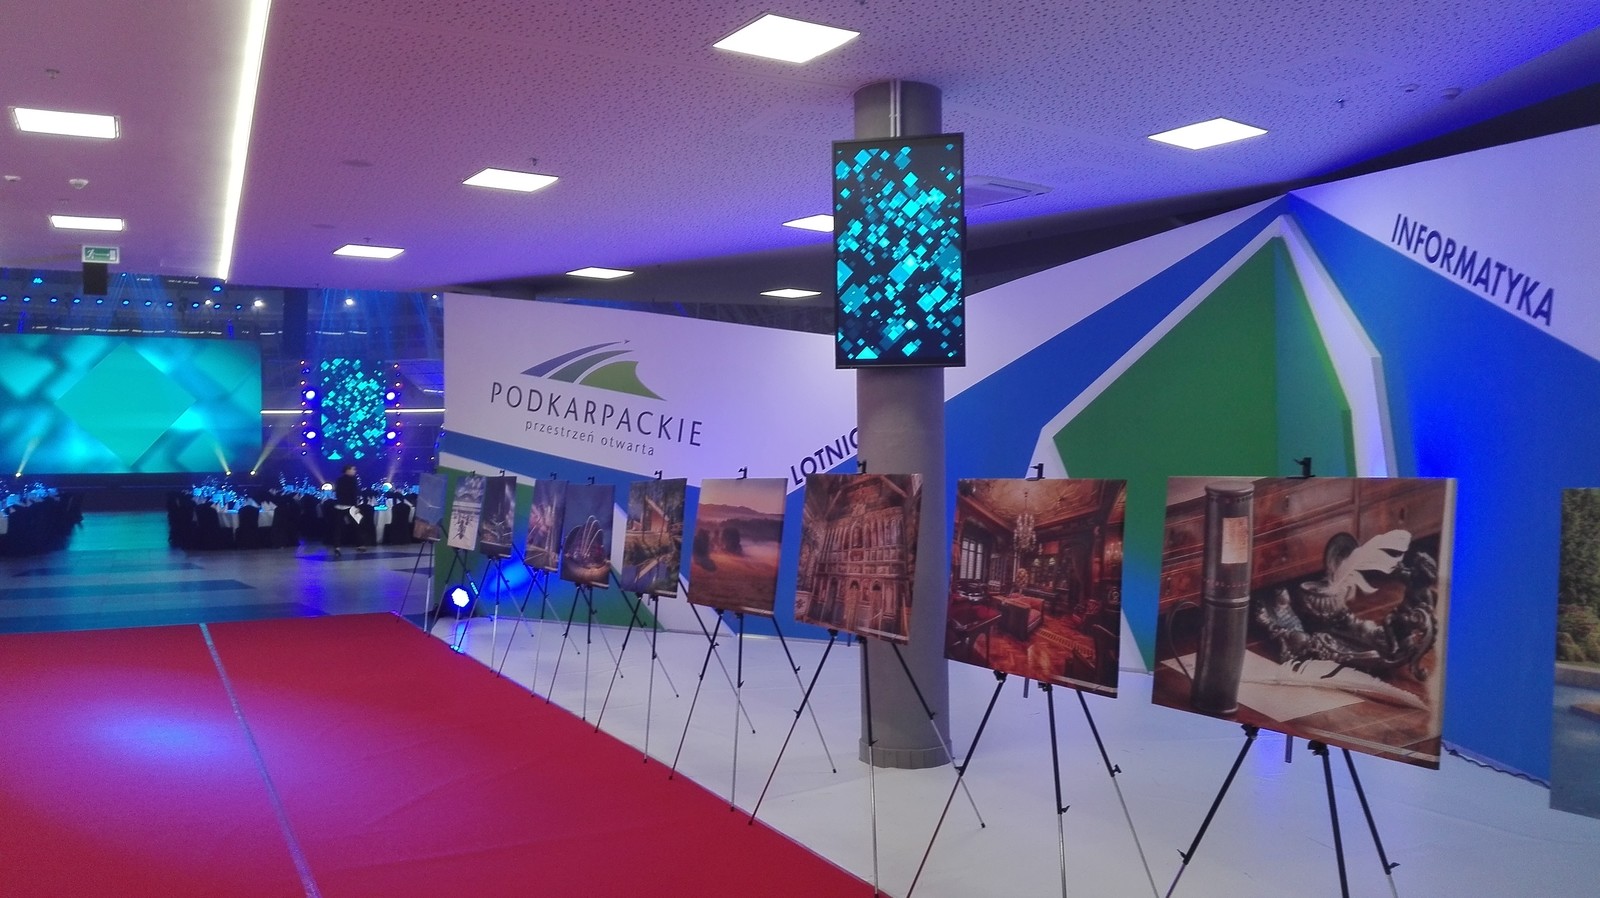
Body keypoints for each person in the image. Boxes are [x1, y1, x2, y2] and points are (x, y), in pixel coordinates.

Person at [330, 465, 361, 556]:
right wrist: (356, 506)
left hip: (339, 505)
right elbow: (354, 494)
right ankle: (359, 544)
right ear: (348, 470)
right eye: (353, 469)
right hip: (350, 506)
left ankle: (337, 546)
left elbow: (337, 493)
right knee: (357, 524)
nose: (355, 471)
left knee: (338, 527)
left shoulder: (339, 480)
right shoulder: (353, 480)